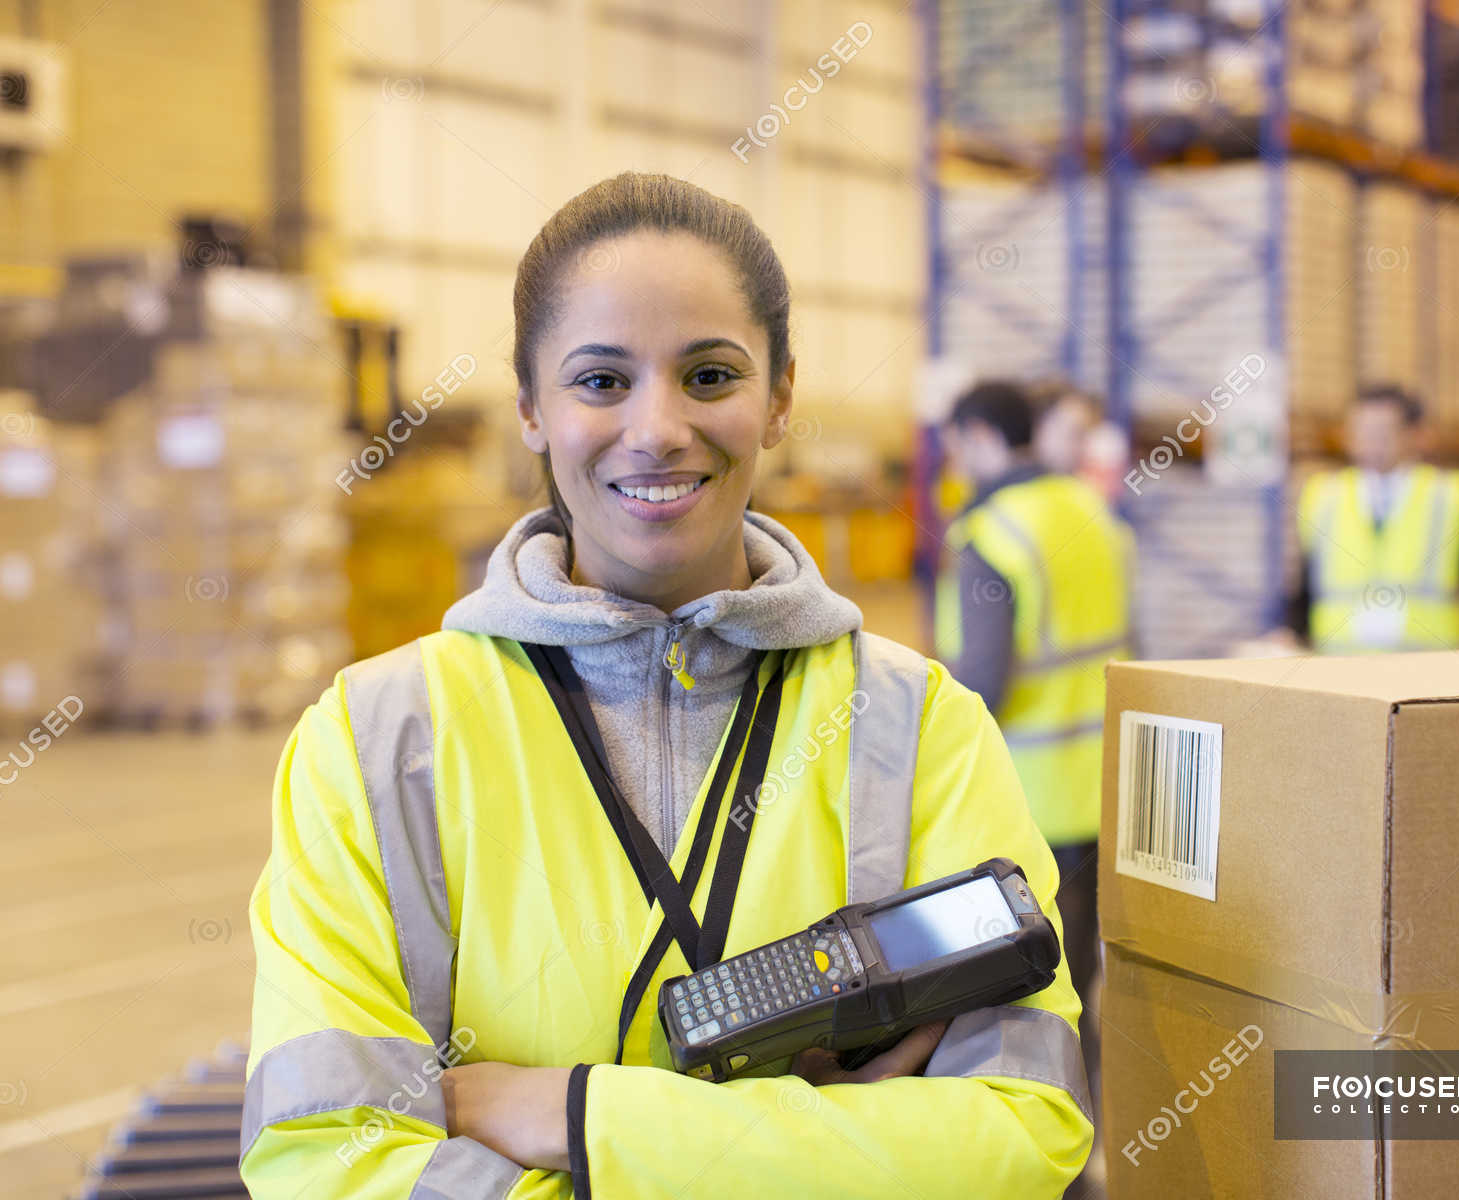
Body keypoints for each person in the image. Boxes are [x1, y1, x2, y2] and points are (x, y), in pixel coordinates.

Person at [239, 174, 1093, 1198]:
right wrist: (826, 1145)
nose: (657, 428)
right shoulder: (374, 738)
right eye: (601, 381)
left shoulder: (922, 728)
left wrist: (571, 1116)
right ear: (530, 409)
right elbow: (322, 1154)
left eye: (709, 375)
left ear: (780, 398)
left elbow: (1022, 1138)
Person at [933, 379, 1134, 1099]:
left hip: (1027, 803)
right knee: (1090, 982)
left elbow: (982, 680)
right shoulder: (1091, 508)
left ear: (981, 438)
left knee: (1035, 1002)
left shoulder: (990, 535)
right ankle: (1105, 1134)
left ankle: (1056, 1156)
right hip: (1106, 784)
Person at [1268, 385, 1459, 654]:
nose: (1371, 444)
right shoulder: (1324, 496)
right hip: (1341, 664)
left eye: (1382, 433)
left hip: (1426, 665)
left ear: (1415, 435)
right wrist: (1289, 632)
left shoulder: (1449, 498)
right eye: (1361, 433)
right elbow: (1310, 584)